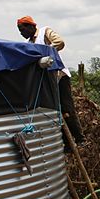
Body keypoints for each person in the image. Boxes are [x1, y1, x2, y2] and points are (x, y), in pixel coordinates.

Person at [17, 15, 85, 146]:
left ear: (31, 26)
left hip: (59, 76)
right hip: (44, 81)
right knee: (54, 111)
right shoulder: (27, 45)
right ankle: (66, 142)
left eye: (22, 29)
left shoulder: (44, 32)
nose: (21, 33)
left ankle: (80, 138)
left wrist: (44, 52)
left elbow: (60, 42)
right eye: (19, 31)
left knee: (66, 108)